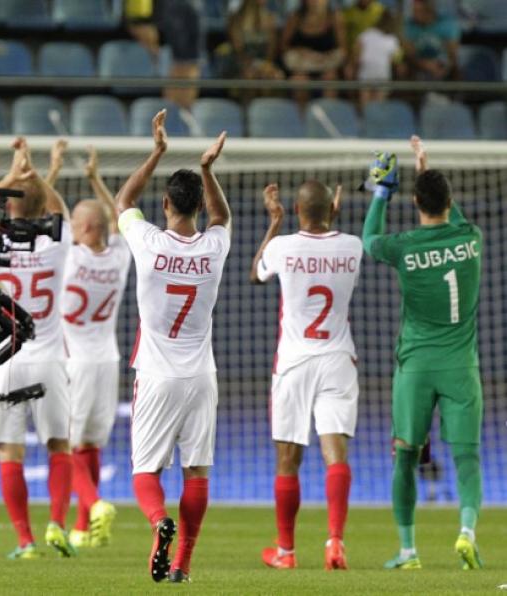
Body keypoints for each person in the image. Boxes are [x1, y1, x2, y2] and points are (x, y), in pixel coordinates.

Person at [116, 112, 230, 584]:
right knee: (197, 471)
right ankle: (182, 563)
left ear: (164, 204)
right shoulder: (214, 247)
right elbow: (222, 217)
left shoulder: (147, 242)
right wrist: (207, 169)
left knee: (145, 471)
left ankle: (158, 521)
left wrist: (157, 151)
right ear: (199, 205)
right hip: (201, 377)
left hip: (157, 375)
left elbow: (124, 201)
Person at [363, 136, 483, 570]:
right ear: (450, 201)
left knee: (406, 455)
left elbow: (369, 239)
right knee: (467, 457)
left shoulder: (405, 246)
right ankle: (466, 531)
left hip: (415, 368)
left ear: (415, 202)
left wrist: (382, 192)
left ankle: (408, 551)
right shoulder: (472, 238)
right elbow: (450, 212)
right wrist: (425, 168)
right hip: (461, 367)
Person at [250, 181, 361, 570]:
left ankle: (286, 551)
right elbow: (332, 239)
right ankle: (335, 542)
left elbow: (256, 274)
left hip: (295, 362)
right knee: (336, 454)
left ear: (296, 210)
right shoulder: (353, 246)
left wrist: (274, 222)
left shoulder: (282, 247)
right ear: (333, 208)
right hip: (338, 359)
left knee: (287, 458)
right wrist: (333, 214)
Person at [0, 137, 83, 560]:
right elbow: (59, 212)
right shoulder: (53, 244)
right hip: (49, 356)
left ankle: (25, 541)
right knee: (59, 444)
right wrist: (38, 174)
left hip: (5, 359)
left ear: (9, 207)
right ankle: (57, 523)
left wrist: (15, 169)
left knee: (10, 452)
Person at [50, 142, 128, 549]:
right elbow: (118, 217)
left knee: (67, 443)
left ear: (82, 229)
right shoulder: (119, 257)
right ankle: (83, 529)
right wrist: (96, 178)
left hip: (75, 362)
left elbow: (54, 209)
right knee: (91, 445)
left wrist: (52, 170)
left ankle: (95, 504)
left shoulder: (71, 257)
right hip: (107, 360)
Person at [281, 0, 347, 103]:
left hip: (326, 64)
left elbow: (343, 48)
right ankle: (301, 112)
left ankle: (327, 111)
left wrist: (325, 57)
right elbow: (283, 46)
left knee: (330, 79)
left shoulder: (335, 17)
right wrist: (301, 51)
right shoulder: (296, 17)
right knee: (299, 80)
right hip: (302, 64)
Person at [223, 0, 284, 85]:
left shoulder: (270, 19)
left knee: (275, 76)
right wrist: (253, 66)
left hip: (264, 63)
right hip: (241, 64)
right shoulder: (236, 19)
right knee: (249, 76)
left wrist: (264, 65)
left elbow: (271, 50)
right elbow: (238, 50)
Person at [349, 10, 402, 106]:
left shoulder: (367, 33)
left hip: (367, 72)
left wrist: (355, 66)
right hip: (381, 73)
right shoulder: (392, 39)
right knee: (378, 106)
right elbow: (394, 60)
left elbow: (356, 51)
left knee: (365, 104)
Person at [402, 0, 459, 82]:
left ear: (429, 10)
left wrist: (445, 66)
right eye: (414, 11)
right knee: (403, 67)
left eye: (418, 11)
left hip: (442, 65)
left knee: (456, 70)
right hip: (419, 67)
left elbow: (452, 54)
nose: (414, 14)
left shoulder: (446, 24)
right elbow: (409, 54)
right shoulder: (409, 26)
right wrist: (426, 65)